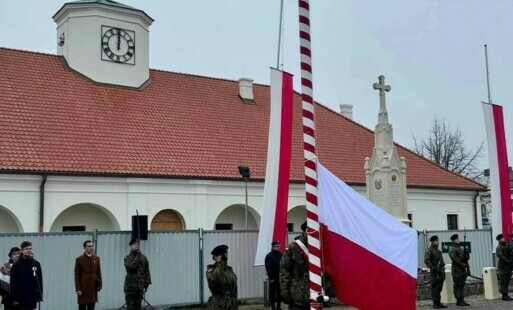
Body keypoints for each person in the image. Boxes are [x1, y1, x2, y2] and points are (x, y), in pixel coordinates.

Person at [280, 221, 309, 310]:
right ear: (306, 230)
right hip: (297, 294)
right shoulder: (294, 247)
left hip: (316, 295)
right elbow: (284, 271)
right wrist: (285, 293)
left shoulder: (320, 248)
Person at [9, 241, 43, 310]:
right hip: (20, 298)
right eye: (26, 249)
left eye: (30, 249)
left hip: (31, 297)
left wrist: (39, 295)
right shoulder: (16, 265)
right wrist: (14, 299)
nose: (28, 250)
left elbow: (39, 281)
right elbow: (13, 283)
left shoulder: (36, 264)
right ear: (22, 250)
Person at [206, 244, 238, 310]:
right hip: (218, 304)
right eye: (222, 255)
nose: (225, 257)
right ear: (215, 256)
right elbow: (218, 278)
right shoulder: (211, 270)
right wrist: (220, 263)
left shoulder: (229, 270)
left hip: (231, 304)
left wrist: (234, 302)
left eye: (225, 255)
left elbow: (234, 288)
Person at [123, 239, 151, 310]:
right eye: (134, 243)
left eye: (137, 243)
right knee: (130, 307)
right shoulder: (127, 257)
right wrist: (138, 256)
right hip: (130, 288)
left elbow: (147, 270)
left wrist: (147, 282)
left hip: (140, 287)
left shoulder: (143, 257)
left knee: (138, 307)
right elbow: (131, 267)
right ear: (130, 246)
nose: (136, 245)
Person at [74, 240, 102, 310]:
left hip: (93, 287)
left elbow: (99, 272)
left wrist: (99, 285)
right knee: (82, 307)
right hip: (83, 288)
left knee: (91, 307)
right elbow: (76, 275)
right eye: (89, 246)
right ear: (84, 247)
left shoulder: (96, 258)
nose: (91, 248)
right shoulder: (79, 259)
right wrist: (78, 289)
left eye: (92, 246)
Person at [424, 235, 446, 309]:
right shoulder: (429, 250)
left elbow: (442, 261)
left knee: (439, 288)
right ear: (433, 242)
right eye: (436, 241)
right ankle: (435, 303)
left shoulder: (439, 251)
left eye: (438, 240)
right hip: (435, 272)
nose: (438, 242)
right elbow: (426, 260)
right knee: (435, 288)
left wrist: (442, 266)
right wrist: (433, 267)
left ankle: (438, 302)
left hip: (440, 272)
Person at [448, 234, 469, 306]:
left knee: (462, 285)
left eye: (458, 238)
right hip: (457, 270)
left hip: (462, 270)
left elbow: (465, 258)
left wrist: (467, 254)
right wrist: (462, 264)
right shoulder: (451, 249)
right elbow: (454, 259)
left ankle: (462, 299)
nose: (458, 240)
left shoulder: (461, 248)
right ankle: (458, 300)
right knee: (457, 285)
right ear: (453, 240)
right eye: (457, 239)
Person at [265, 241, 283, 310]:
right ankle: (273, 306)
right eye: (277, 246)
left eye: (279, 246)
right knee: (272, 292)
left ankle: (279, 306)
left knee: (279, 292)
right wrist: (271, 277)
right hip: (273, 277)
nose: (278, 247)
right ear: (273, 247)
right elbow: (268, 267)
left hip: (280, 277)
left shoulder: (281, 254)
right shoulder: (269, 256)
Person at [495, 234, 513, 301]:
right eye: (503, 238)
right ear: (500, 239)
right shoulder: (499, 247)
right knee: (503, 281)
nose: (504, 239)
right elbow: (500, 256)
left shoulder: (507, 246)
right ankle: (504, 295)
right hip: (503, 266)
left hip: (508, 266)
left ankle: (506, 294)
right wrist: (508, 260)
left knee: (507, 280)